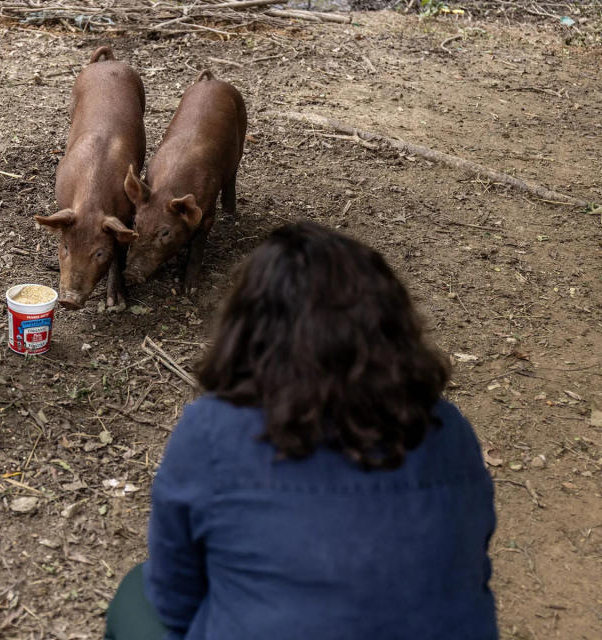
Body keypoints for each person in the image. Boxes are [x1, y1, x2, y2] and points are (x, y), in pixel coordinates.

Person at [104, 220, 498, 639]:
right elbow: (470, 558)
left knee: (136, 597)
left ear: (246, 332)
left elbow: (174, 599)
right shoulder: (447, 426)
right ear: (392, 327)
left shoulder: (211, 431)